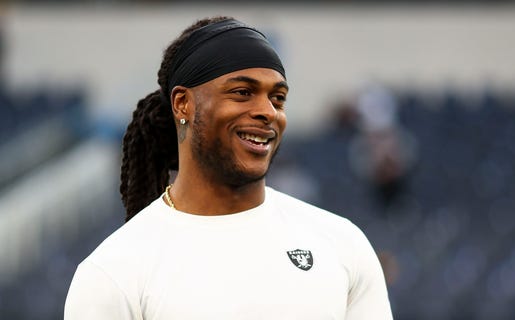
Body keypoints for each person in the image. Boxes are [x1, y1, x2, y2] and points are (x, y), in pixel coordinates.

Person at [64, 16, 393, 320]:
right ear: (183, 104)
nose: (268, 112)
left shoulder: (342, 244)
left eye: (277, 99)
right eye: (243, 93)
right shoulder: (112, 273)